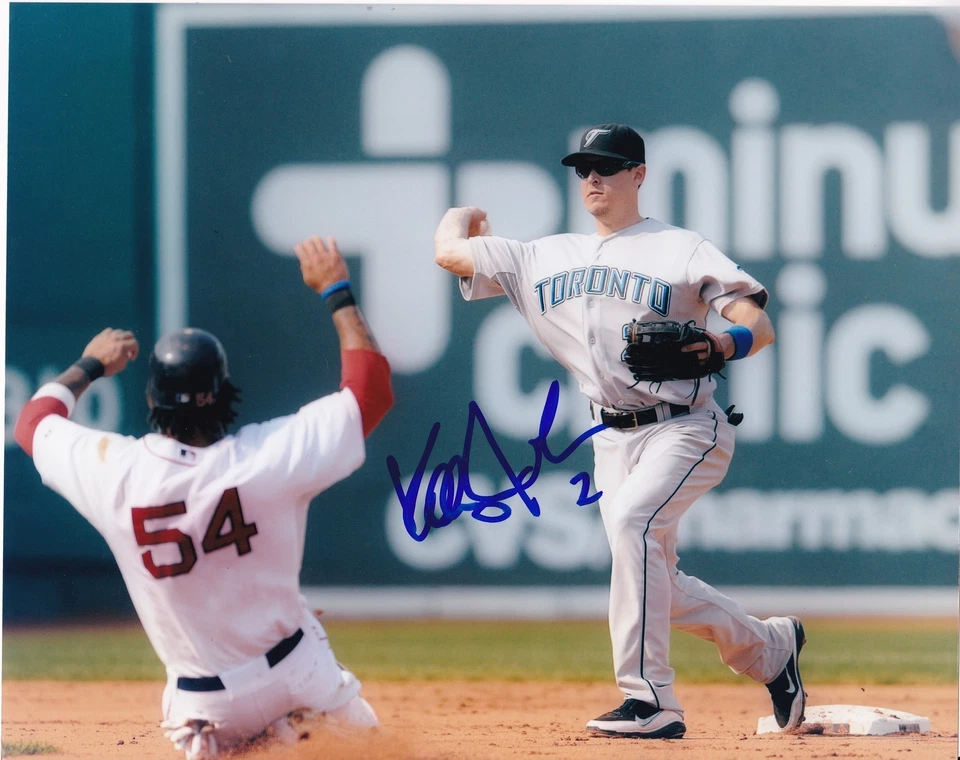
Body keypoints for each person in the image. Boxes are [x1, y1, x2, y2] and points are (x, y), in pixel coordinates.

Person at [433, 123, 806, 739]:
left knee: (634, 530)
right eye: (583, 168)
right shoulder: (540, 256)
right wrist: (461, 213)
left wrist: (722, 341)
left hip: (687, 427)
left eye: (607, 166)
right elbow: (450, 253)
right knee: (652, 577)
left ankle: (650, 700)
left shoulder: (680, 248)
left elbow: (757, 322)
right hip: (611, 438)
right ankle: (771, 648)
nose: (593, 179)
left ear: (639, 174)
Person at [14, 235, 393, 758]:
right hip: (298, 675)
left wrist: (91, 364)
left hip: (207, 708)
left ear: (152, 399)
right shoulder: (269, 456)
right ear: (226, 392)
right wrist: (337, 290)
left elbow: (32, 424)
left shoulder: (117, 474)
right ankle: (290, 727)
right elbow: (371, 390)